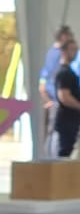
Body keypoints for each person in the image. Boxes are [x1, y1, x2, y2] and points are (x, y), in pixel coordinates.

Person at [38, 25, 74, 156]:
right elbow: (44, 81)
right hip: (58, 101)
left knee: (54, 133)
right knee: (57, 134)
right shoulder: (56, 55)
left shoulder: (51, 54)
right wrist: (49, 98)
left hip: (55, 100)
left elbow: (42, 80)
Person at [54, 38, 80, 158]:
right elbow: (64, 96)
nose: (75, 52)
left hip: (72, 122)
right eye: (72, 50)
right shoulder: (64, 73)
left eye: (76, 50)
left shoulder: (70, 72)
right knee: (66, 155)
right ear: (64, 52)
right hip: (67, 122)